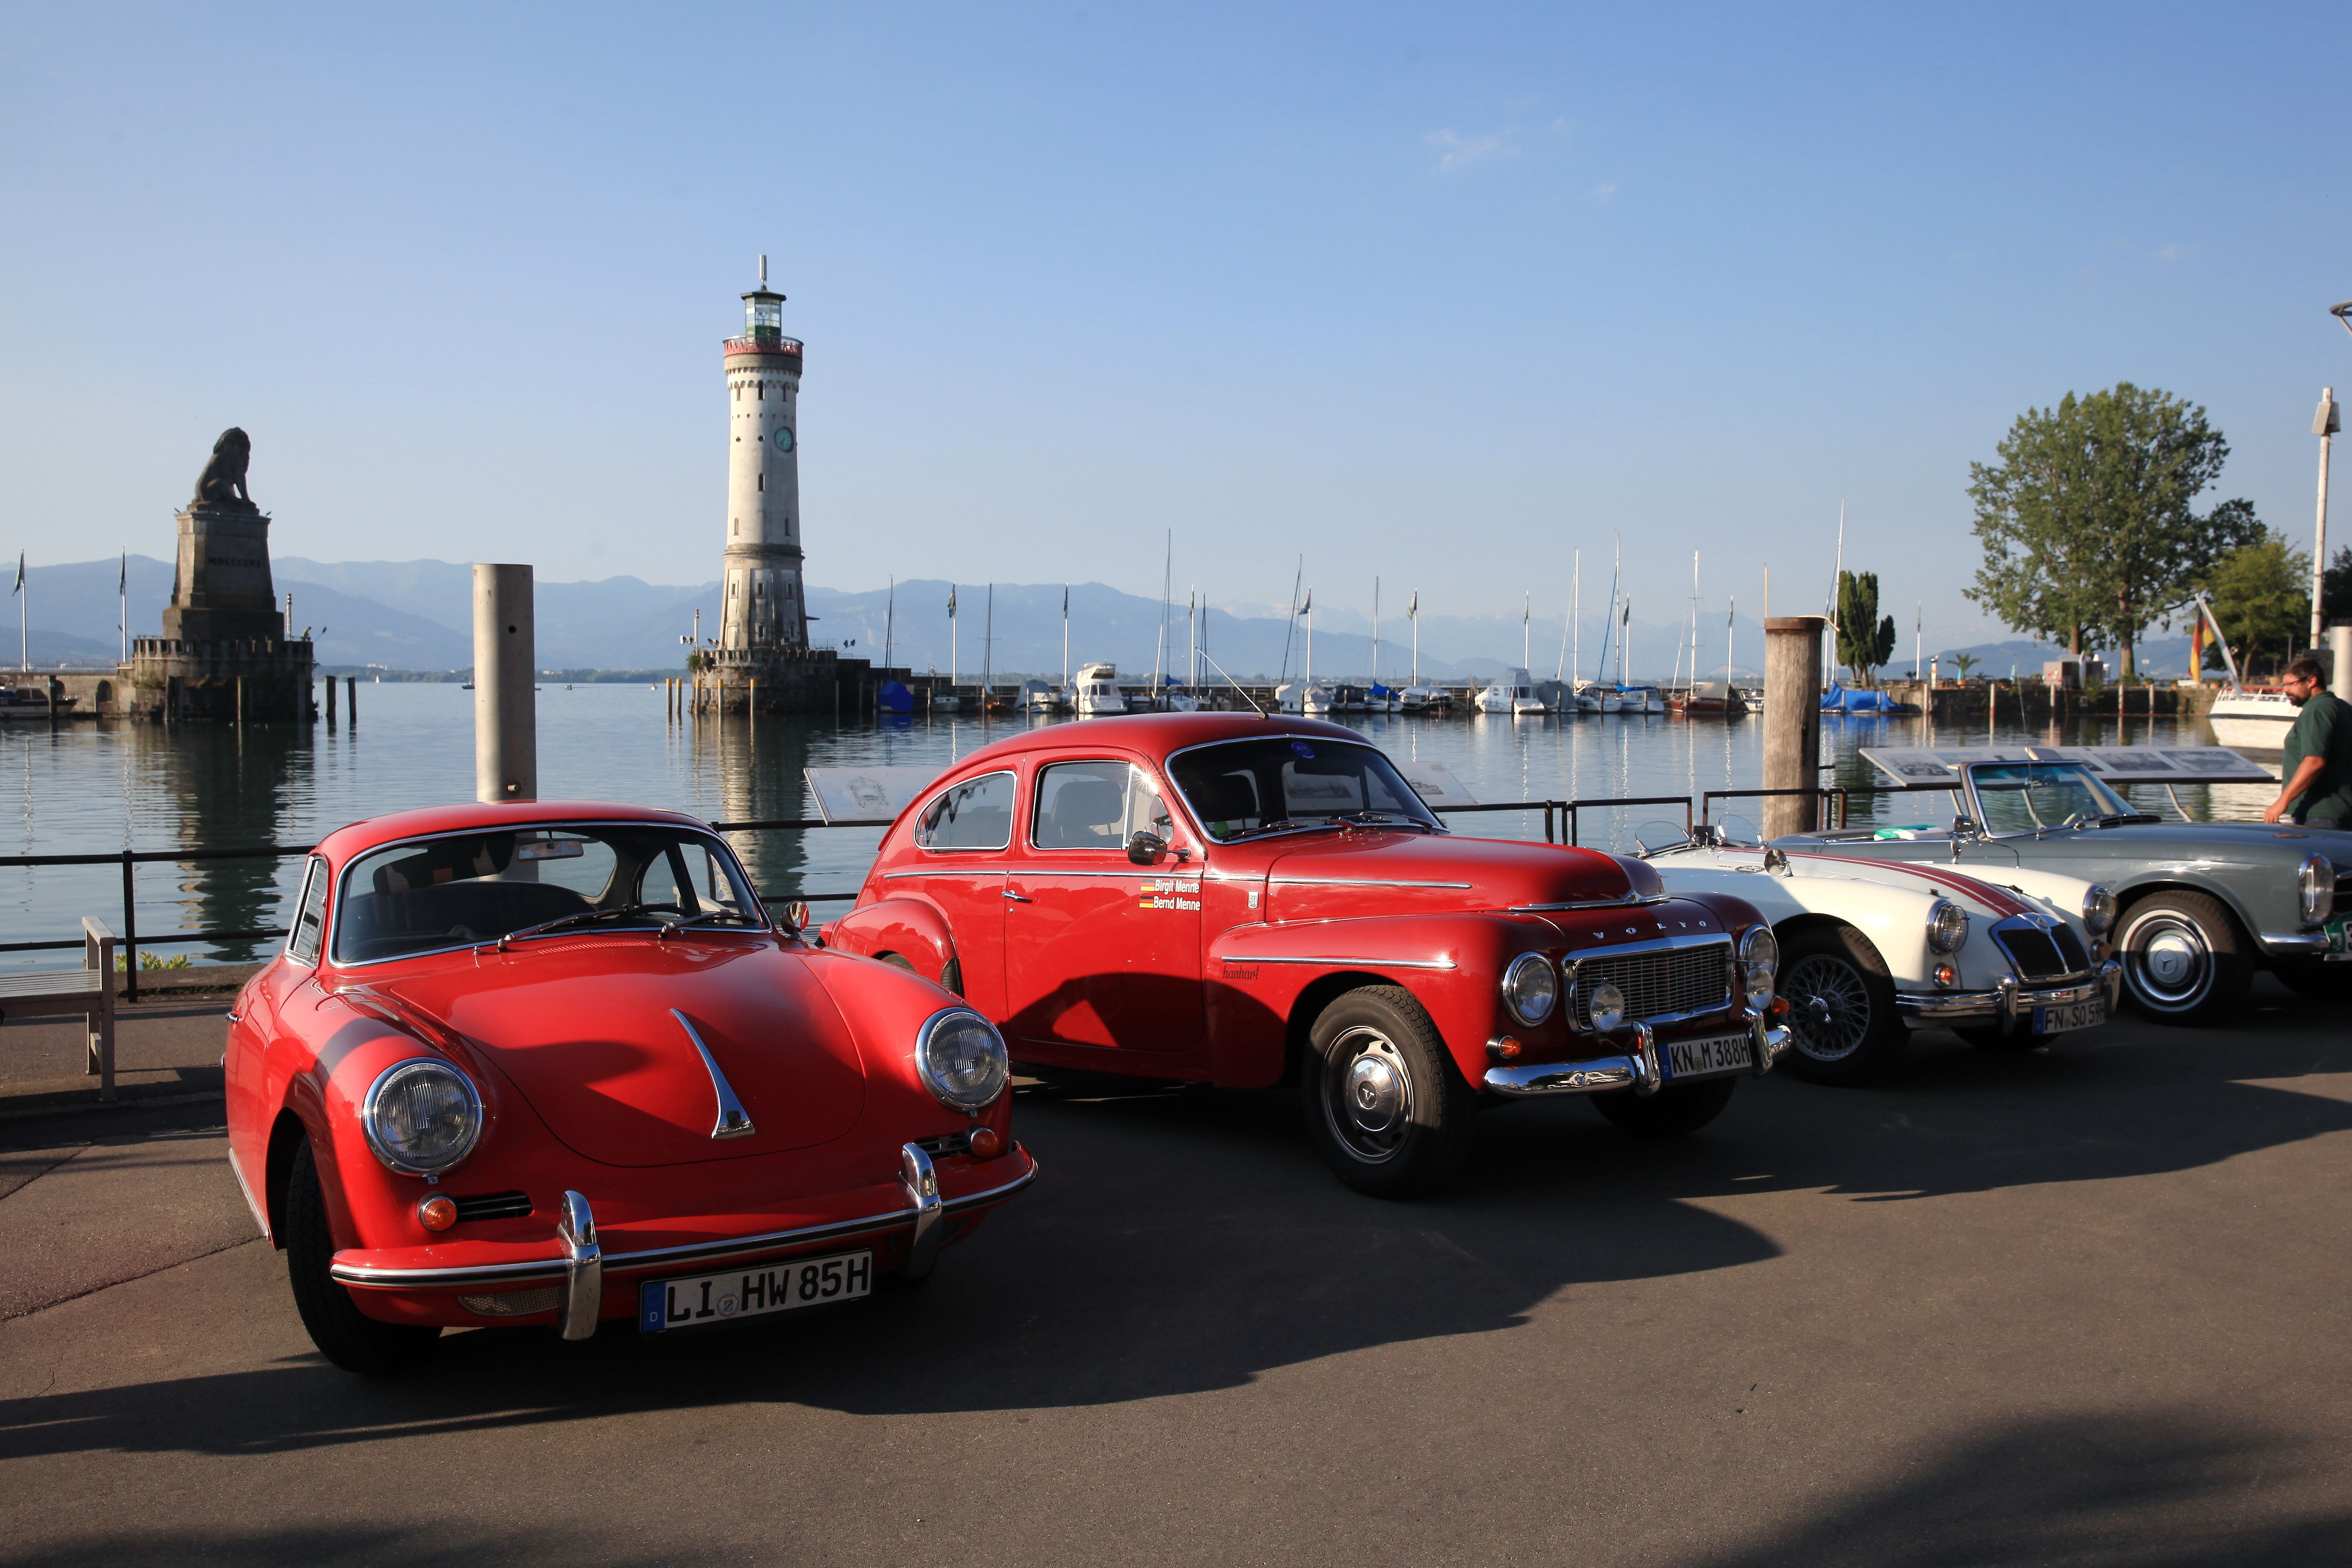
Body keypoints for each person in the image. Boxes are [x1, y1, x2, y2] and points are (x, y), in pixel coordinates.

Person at [2262, 657, 2352, 825]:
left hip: (2319, 813)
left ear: (2311, 681)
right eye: (2284, 685)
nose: (2285, 690)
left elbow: (2314, 761)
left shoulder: (2317, 710)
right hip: (2343, 810)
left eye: (2290, 684)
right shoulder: (2343, 707)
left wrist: (2281, 804)